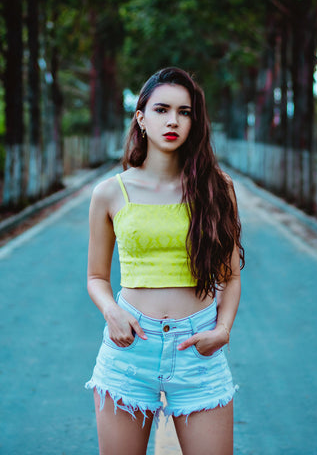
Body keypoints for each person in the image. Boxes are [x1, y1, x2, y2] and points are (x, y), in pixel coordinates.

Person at [85, 67, 245, 455]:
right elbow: (95, 276)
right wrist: (111, 311)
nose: (173, 120)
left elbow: (231, 276)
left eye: (185, 112)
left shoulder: (217, 188)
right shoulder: (110, 192)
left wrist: (223, 329)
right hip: (130, 352)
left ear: (195, 121)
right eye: (161, 109)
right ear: (140, 118)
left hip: (199, 351)